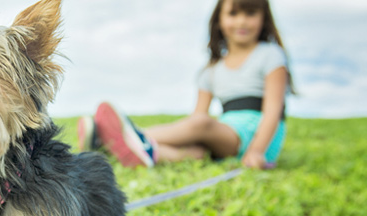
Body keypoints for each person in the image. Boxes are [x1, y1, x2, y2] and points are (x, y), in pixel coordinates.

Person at [78, 0, 293, 170]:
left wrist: (256, 151)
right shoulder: (211, 71)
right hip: (224, 135)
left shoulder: (270, 55)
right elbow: (196, 121)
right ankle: (128, 150)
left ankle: (132, 135)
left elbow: (273, 111)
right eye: (233, 14)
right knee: (196, 152)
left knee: (201, 124)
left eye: (250, 13)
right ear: (219, 19)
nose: (242, 21)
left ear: (264, 18)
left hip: (258, 137)